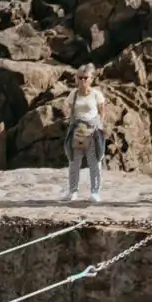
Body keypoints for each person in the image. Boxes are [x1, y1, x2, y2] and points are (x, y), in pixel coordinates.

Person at [64, 65, 106, 204]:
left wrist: (99, 124)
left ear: (91, 78)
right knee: (74, 162)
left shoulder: (96, 94)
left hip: (92, 130)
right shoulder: (73, 94)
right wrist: (68, 118)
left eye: (85, 77)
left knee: (95, 162)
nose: (83, 80)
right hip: (77, 130)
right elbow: (68, 107)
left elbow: (102, 110)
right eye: (80, 77)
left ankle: (95, 192)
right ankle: (73, 191)